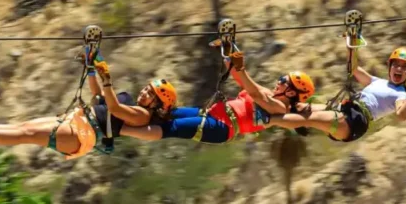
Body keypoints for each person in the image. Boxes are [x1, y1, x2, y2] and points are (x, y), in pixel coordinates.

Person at [0, 55, 178, 160]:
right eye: (147, 88)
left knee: (26, 134)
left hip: (83, 133)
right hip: (78, 121)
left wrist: (107, 79)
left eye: (151, 94)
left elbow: (115, 110)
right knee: (24, 126)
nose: (144, 93)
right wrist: (90, 69)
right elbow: (98, 96)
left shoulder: (142, 116)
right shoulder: (128, 98)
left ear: (157, 105)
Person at [121, 49, 316, 144]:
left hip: (223, 127)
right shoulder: (267, 93)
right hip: (212, 115)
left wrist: (239, 66)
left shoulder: (280, 109)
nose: (279, 81)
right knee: (166, 113)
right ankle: (126, 114)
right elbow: (242, 80)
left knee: (170, 128)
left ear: (291, 92)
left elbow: (252, 92)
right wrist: (229, 52)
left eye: (284, 81)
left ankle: (122, 129)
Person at [264, 47, 406, 142]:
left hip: (355, 120)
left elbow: (401, 115)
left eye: (404, 67)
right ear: (390, 66)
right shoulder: (377, 81)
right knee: (300, 107)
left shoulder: (400, 94)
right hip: (346, 109)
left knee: (308, 118)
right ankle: (267, 109)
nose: (399, 69)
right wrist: (352, 43)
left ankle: (267, 120)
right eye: (396, 65)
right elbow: (354, 69)